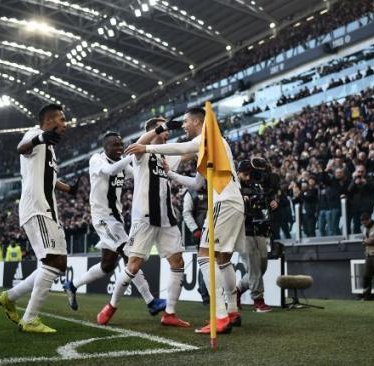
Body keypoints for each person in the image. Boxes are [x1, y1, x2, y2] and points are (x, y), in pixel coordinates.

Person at [126, 107, 246, 334]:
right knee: (223, 258)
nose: (183, 126)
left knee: (204, 256)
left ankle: (220, 316)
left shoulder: (208, 136)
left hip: (222, 200)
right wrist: (170, 174)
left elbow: (184, 147)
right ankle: (231, 310)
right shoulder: (214, 144)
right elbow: (196, 184)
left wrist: (147, 147)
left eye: (186, 122)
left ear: (197, 122)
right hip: (233, 200)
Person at [96, 118, 190, 329]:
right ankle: (111, 306)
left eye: (167, 130)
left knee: (178, 262)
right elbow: (140, 142)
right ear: (153, 131)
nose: (167, 133)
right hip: (144, 218)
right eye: (163, 130)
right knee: (133, 265)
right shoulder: (141, 152)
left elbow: (186, 153)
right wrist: (161, 128)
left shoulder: (166, 155)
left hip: (167, 218)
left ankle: (170, 313)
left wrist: (207, 143)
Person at [0, 103, 79, 333]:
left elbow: (49, 179)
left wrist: (68, 189)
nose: (65, 123)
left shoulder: (50, 148)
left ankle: (9, 297)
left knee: (57, 263)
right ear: (49, 121)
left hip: (49, 210)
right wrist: (40, 138)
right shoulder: (35, 134)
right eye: (61, 119)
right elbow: (21, 148)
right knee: (52, 262)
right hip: (37, 209)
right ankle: (30, 318)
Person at [63, 132, 165, 316]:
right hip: (103, 218)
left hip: (116, 218)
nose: (119, 148)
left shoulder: (122, 164)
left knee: (107, 265)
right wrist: (131, 156)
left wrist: (158, 171)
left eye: (121, 145)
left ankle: (72, 285)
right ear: (105, 147)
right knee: (129, 254)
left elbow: (139, 175)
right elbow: (110, 171)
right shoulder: (96, 160)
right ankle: (151, 301)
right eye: (115, 146)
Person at [236, 158, 278, 313]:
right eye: (245, 174)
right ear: (238, 173)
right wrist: (240, 200)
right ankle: (258, 301)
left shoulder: (256, 185)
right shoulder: (233, 186)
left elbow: (266, 200)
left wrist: (273, 201)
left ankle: (237, 291)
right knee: (254, 269)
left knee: (262, 267)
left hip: (260, 229)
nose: (248, 177)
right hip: (243, 231)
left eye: (250, 174)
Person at [182, 183, 210, 305]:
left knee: (212, 262)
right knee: (206, 261)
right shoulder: (191, 191)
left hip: (216, 230)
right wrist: (195, 230)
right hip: (201, 232)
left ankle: (205, 291)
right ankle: (205, 294)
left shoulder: (215, 186)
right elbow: (186, 213)